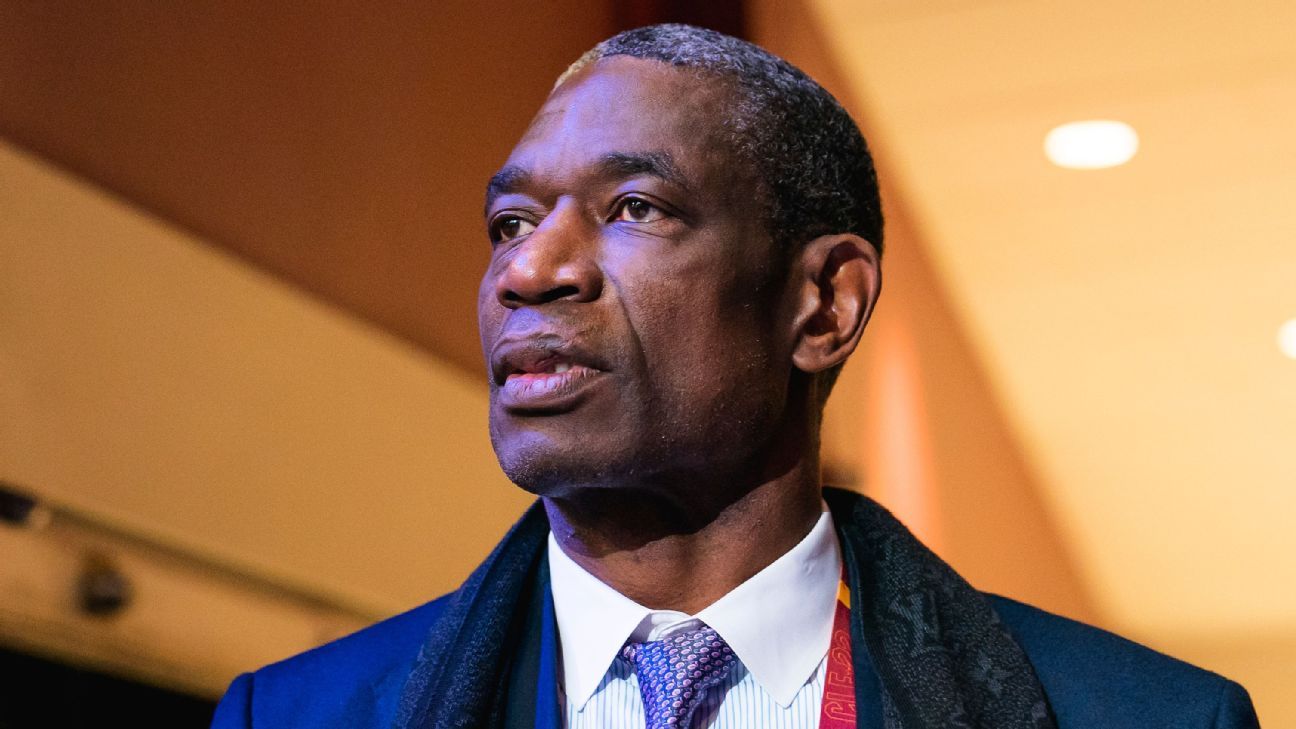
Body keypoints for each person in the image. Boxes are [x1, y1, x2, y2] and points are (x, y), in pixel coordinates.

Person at [211, 24, 1260, 729]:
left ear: (825, 303)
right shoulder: (295, 716)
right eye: (511, 222)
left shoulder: (1149, 717)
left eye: (635, 208)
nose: (528, 271)